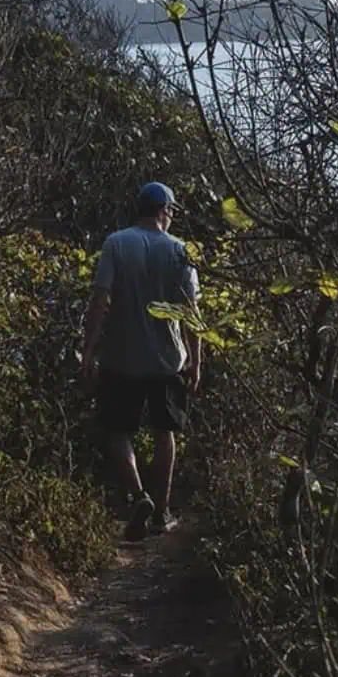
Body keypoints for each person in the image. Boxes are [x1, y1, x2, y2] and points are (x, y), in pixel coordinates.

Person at [79, 181, 201, 542]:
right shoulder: (181, 251)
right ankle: (162, 513)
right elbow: (192, 311)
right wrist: (197, 360)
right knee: (165, 433)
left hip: (122, 356)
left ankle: (138, 496)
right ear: (165, 209)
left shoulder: (116, 243)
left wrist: (88, 351)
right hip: (168, 359)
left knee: (118, 432)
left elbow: (99, 299)